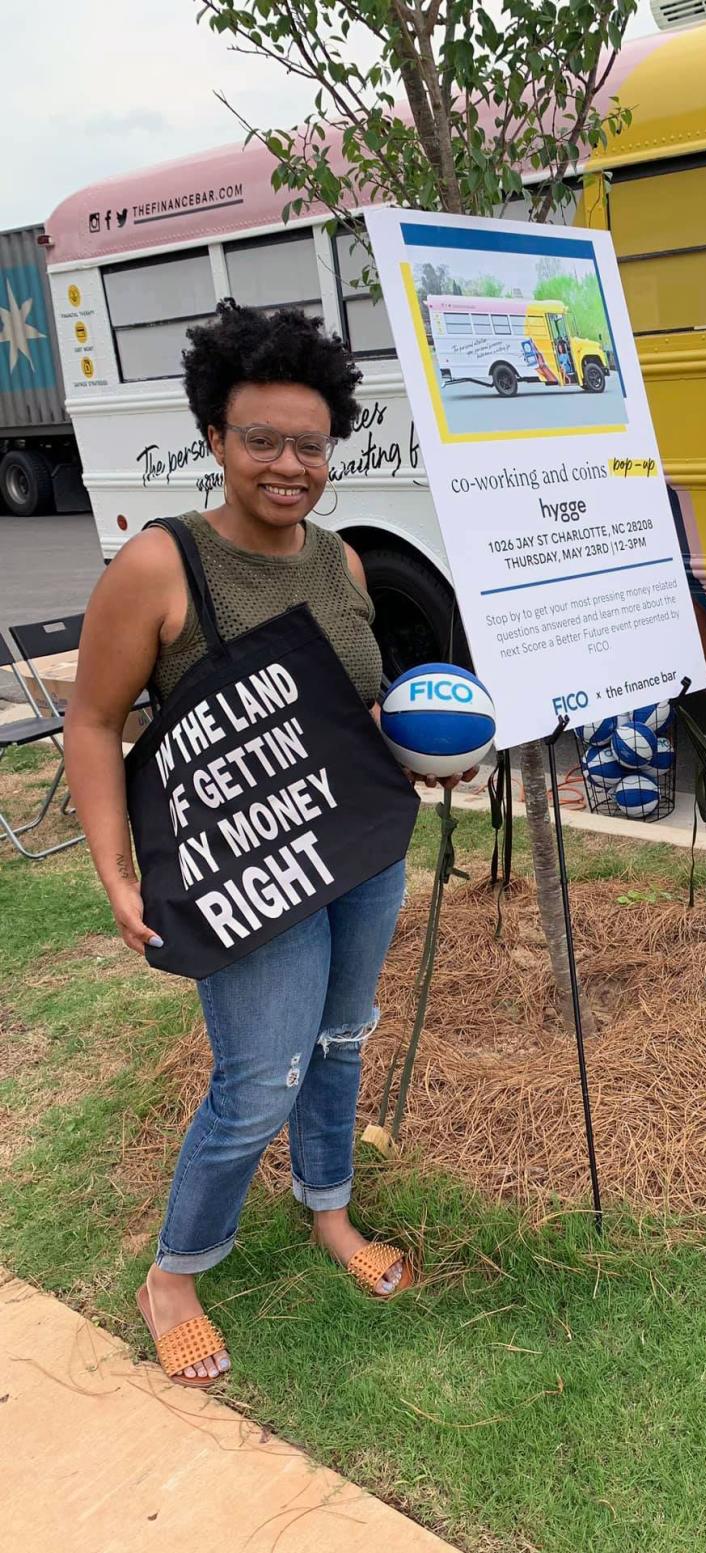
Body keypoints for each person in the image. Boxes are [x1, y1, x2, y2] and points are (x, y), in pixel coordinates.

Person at [65, 302, 451, 1386]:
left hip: (361, 855)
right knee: (259, 1078)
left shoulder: (343, 564)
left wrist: (432, 750)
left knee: (339, 1045)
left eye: (310, 443)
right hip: (249, 871)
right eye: (262, 440)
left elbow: (356, 716)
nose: (289, 464)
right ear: (216, 439)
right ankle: (175, 1271)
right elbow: (94, 721)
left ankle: (326, 1207)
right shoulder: (161, 564)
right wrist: (112, 864)